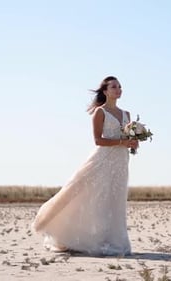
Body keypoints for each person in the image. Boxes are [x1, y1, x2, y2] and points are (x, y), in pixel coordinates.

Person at [31, 76, 138, 256]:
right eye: (114, 87)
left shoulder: (126, 114)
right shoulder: (100, 112)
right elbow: (98, 140)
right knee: (93, 197)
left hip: (121, 162)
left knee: (116, 200)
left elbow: (128, 139)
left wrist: (133, 143)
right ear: (105, 91)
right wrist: (122, 141)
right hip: (103, 161)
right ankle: (69, 233)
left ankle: (116, 242)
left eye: (120, 87)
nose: (118, 90)